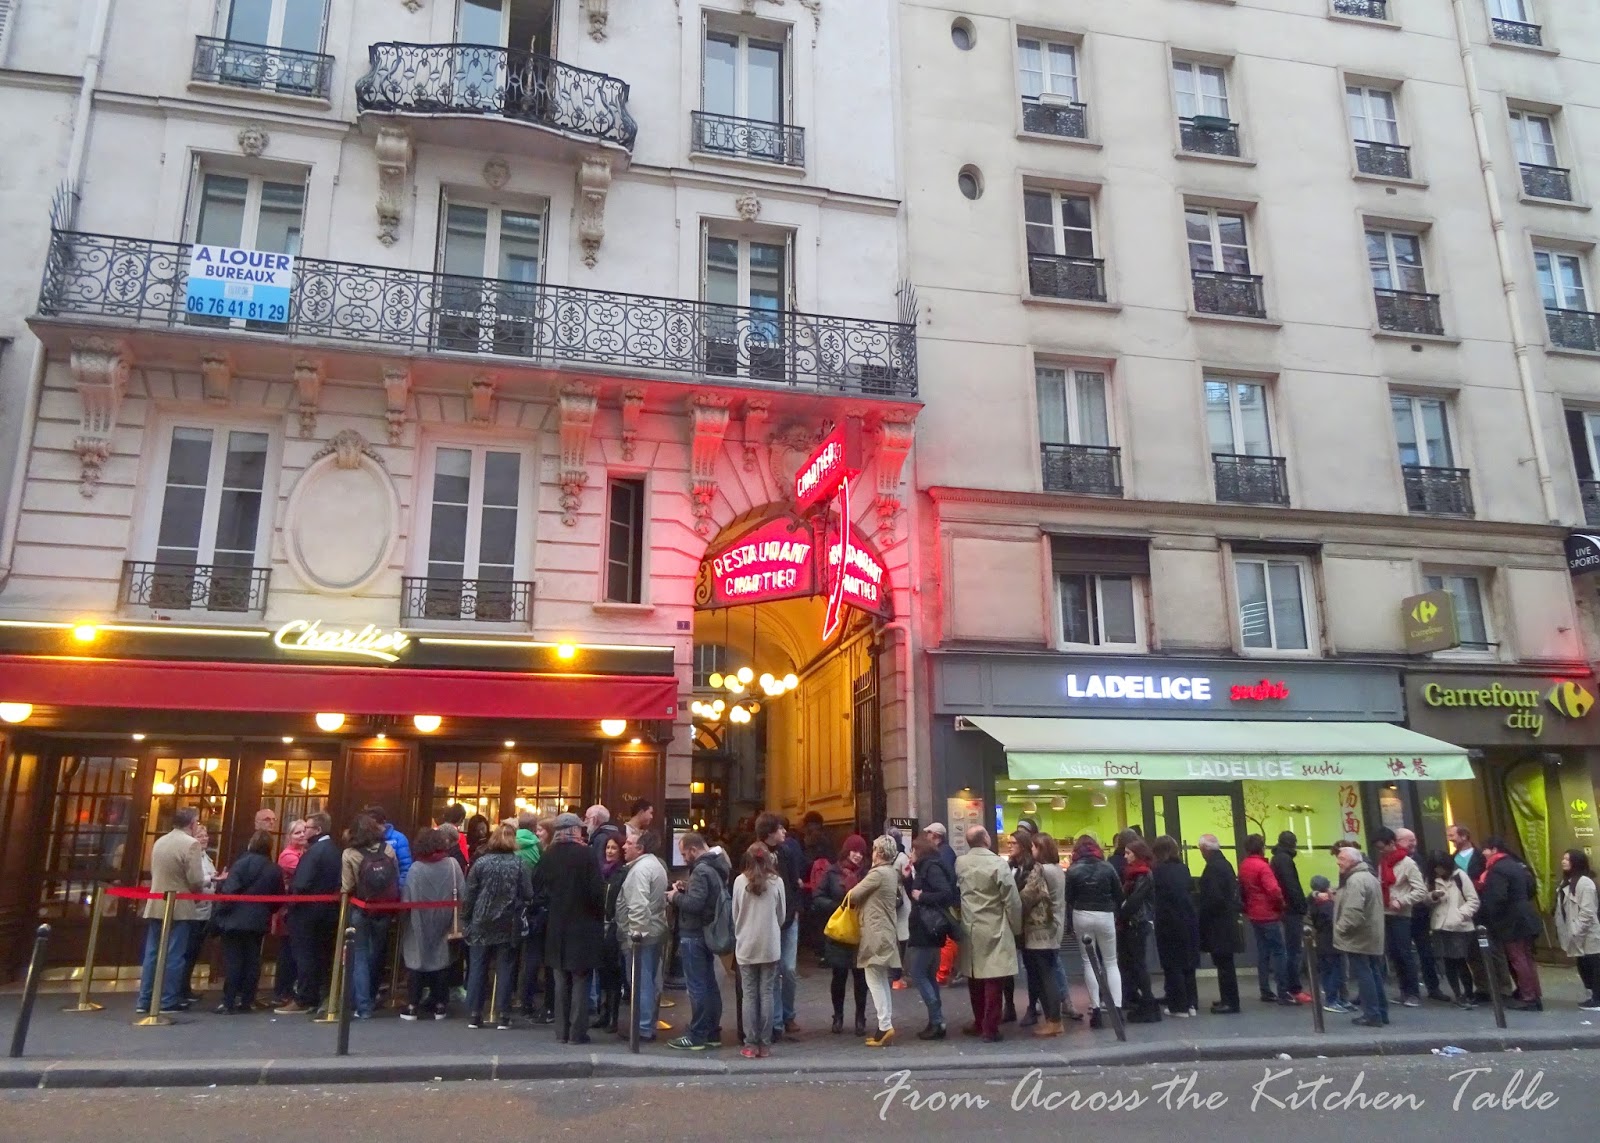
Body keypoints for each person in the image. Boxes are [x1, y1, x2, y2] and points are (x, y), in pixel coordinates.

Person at [534, 812, 606, 1043]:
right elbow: (597, 892)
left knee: (559, 980)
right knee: (580, 980)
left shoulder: (548, 855)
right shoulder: (586, 854)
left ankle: (561, 1031)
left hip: (556, 925)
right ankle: (577, 1033)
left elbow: (537, 887)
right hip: (583, 925)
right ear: (574, 830)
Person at [461, 823, 532, 1029]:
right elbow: (528, 893)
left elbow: (470, 895)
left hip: (481, 920)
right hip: (508, 922)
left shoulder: (481, 863)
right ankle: (503, 1014)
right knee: (506, 968)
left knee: (477, 967)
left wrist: (466, 920)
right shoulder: (520, 864)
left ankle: (475, 1013)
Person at [955, 827, 1021, 1042]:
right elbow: (1011, 900)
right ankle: (990, 1027)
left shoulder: (961, 863)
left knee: (975, 978)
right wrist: (1016, 927)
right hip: (995, 925)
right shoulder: (998, 864)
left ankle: (978, 1021)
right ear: (986, 839)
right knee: (994, 978)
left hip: (970, 926)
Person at [669, 830, 732, 1050]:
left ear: (694, 850)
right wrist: (687, 888)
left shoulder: (701, 870)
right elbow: (706, 898)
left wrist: (675, 896)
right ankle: (713, 1031)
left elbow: (694, 905)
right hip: (706, 931)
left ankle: (697, 1034)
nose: (684, 858)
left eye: (684, 853)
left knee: (697, 986)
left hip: (693, 933)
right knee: (710, 984)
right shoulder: (717, 866)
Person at [212, 829, 281, 1013]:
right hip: (258, 920)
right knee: (252, 960)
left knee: (234, 961)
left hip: (234, 919)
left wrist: (220, 911)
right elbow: (278, 898)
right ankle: (247, 999)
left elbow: (229, 891)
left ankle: (228, 1001)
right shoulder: (273, 869)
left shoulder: (241, 864)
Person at [279, 812, 340, 1016]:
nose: (304, 832)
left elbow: (302, 883)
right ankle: (316, 995)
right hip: (326, 911)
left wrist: (292, 900)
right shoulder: (334, 850)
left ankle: (305, 997)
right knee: (320, 955)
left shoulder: (315, 852)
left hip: (307, 912)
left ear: (318, 830)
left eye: (308, 828)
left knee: (305, 955)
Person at [399, 826, 462, 1020]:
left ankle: (412, 1005)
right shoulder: (452, 865)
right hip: (445, 918)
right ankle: (440, 1004)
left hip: (418, 918)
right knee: (441, 958)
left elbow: (406, 899)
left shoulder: (416, 869)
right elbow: (462, 892)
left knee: (417, 958)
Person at [340, 813, 399, 1019]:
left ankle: (363, 1006)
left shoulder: (350, 853)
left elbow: (347, 886)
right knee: (377, 954)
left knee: (360, 956)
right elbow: (396, 878)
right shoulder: (388, 849)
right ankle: (372, 996)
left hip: (361, 908)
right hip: (384, 908)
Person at [811, 832, 870, 1035]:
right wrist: (838, 907)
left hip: (862, 932)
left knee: (861, 979)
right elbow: (817, 897)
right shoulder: (832, 873)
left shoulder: (868, 873)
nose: (858, 855)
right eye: (854, 851)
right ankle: (838, 1016)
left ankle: (860, 1018)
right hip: (839, 933)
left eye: (861, 852)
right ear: (846, 851)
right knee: (839, 977)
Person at [848, 835, 902, 1047]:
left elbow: (853, 895)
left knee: (873, 980)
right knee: (880, 979)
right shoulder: (891, 873)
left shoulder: (878, 873)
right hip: (885, 932)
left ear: (879, 853)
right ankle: (884, 1025)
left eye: (873, 850)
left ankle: (885, 1025)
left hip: (875, 933)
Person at [1478, 836, 1544, 1010]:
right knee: (1526, 957)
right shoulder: (1515, 865)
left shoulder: (1497, 869)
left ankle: (1528, 996)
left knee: (1517, 957)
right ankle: (1533, 993)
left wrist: (1489, 911)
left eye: (1485, 849)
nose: (1483, 853)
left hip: (1512, 919)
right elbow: (1530, 889)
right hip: (1525, 915)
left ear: (1493, 850)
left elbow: (1498, 896)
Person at [732, 842, 785, 1058]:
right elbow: (781, 915)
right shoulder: (777, 882)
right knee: (767, 993)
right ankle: (765, 1043)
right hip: (769, 944)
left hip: (746, 944)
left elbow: (735, 913)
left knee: (749, 994)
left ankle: (750, 1043)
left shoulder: (739, 881)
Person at [1064, 834, 1123, 1029]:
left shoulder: (1073, 870)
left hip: (1082, 914)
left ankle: (1096, 1010)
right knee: (1111, 962)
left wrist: (1069, 924)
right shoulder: (1107, 867)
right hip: (1105, 915)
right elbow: (1119, 894)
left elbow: (1069, 899)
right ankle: (1117, 1009)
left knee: (1089, 962)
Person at [617, 829, 669, 1042]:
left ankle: (643, 1027)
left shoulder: (640, 870)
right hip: (655, 929)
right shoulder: (654, 865)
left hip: (643, 935)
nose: (623, 846)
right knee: (649, 979)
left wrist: (635, 934)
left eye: (628, 843)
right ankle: (646, 1024)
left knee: (640, 980)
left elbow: (638, 904)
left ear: (640, 848)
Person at [757, 812, 805, 1037]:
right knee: (773, 969)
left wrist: (794, 910)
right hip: (769, 919)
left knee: (789, 968)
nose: (785, 831)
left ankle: (788, 1014)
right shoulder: (755, 854)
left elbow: (796, 882)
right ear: (769, 833)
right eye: (780, 829)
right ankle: (776, 1021)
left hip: (788, 916)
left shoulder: (787, 852)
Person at [906, 832, 957, 1039]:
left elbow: (945, 893)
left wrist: (922, 896)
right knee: (927, 974)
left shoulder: (931, 867)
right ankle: (935, 1021)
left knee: (918, 973)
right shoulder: (924, 868)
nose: (910, 854)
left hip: (928, 929)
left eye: (912, 850)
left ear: (919, 851)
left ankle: (937, 1020)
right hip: (925, 928)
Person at [1333, 844, 1387, 1028]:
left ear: (1352, 861)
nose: (1338, 862)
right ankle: (1380, 1012)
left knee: (1364, 973)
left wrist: (1340, 929)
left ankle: (1372, 1013)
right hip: (1370, 933)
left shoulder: (1355, 880)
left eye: (1341, 859)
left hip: (1360, 936)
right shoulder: (1368, 877)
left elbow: (1353, 910)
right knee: (1373, 972)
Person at [1374, 826, 1428, 1007]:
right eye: (1379, 848)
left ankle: (1413, 992)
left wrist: (1402, 901)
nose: (1381, 851)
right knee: (1394, 953)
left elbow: (1420, 890)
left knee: (1404, 953)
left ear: (1392, 843)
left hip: (1401, 913)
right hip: (1385, 912)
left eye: (1383, 847)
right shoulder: (1383, 862)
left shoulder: (1408, 863)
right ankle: (1403, 991)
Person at [1019, 834, 1064, 1036]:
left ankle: (1054, 1020)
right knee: (1050, 971)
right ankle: (1053, 1020)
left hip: (1040, 930)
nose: (1032, 852)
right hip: (1055, 926)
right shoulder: (1058, 869)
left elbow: (1027, 895)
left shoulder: (1041, 869)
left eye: (1034, 848)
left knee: (1045, 975)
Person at [1238, 833, 1291, 1004]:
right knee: (1279, 952)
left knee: (1263, 953)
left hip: (1254, 914)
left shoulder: (1244, 865)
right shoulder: (1263, 867)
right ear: (1262, 847)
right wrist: (1282, 904)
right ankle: (1283, 991)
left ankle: (1265, 990)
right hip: (1268, 913)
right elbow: (1274, 890)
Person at [1150, 835, 1200, 1018]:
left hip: (1168, 922)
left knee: (1172, 964)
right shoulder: (1183, 869)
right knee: (1188, 963)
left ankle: (1178, 1006)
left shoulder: (1157, 872)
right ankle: (1192, 1003)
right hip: (1189, 920)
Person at [1425, 849, 1480, 1009]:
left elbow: (1473, 900)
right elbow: (1425, 900)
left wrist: (1460, 914)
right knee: (1448, 962)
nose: (1438, 871)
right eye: (1435, 868)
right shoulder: (1431, 879)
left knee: (1460, 961)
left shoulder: (1459, 876)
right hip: (1439, 926)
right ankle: (1457, 994)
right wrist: (1433, 896)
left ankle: (1468, 994)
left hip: (1458, 927)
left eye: (1440, 867)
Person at [1196, 833, 1242, 1014]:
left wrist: (1202, 911)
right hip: (1225, 922)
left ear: (1205, 849)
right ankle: (1228, 998)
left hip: (1219, 925)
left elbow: (1214, 898)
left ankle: (1230, 1002)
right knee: (1225, 963)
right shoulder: (1224, 864)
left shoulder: (1214, 868)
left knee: (1224, 964)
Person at [1118, 837, 1161, 1023]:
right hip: (1135, 923)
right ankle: (1145, 1001)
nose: (1125, 857)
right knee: (1135, 964)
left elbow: (1134, 901)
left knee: (1138, 965)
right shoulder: (1135, 874)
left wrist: (1121, 911)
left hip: (1136, 924)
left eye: (1128, 853)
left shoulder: (1142, 874)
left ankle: (1148, 1003)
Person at [1555, 848, 1600, 1011]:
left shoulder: (1585, 883)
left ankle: (1597, 998)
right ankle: (1592, 996)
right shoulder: (1566, 881)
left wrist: (1575, 930)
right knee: (1583, 964)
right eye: (1563, 858)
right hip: (1575, 933)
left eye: (1567, 859)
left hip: (1587, 933)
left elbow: (1588, 911)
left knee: (1593, 964)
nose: (1563, 861)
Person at [271, 819, 309, 1007]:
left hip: (299, 907)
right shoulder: (288, 855)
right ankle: (281, 990)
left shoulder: (305, 853)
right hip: (288, 908)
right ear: (289, 836)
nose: (302, 835)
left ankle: (289, 988)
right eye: (297, 832)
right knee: (287, 951)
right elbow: (304, 872)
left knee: (294, 951)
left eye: (303, 831)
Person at [1270, 830, 1311, 1002]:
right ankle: (1293, 987)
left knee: (1288, 949)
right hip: (1291, 909)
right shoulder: (1285, 860)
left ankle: (1287, 987)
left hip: (1284, 909)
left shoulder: (1277, 858)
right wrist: (1302, 905)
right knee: (1293, 949)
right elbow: (1291, 884)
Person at [180, 823, 218, 1004]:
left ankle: (185, 987)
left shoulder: (206, 857)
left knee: (195, 951)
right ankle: (180, 988)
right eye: (200, 835)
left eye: (206, 835)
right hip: (194, 910)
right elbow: (193, 879)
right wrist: (212, 879)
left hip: (204, 910)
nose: (205, 838)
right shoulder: (193, 856)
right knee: (187, 951)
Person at [595, 833, 628, 1033]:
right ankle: (603, 1013)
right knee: (602, 972)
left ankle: (613, 1017)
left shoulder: (622, 874)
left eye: (614, 848)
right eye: (608, 847)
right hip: (600, 924)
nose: (609, 851)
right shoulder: (600, 872)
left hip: (614, 925)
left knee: (613, 972)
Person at [1308, 875, 1349, 1012]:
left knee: (1326, 971)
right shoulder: (1329, 905)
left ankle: (1333, 999)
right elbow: (1334, 923)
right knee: (1336, 971)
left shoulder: (1314, 902)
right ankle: (1333, 1000)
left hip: (1321, 941)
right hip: (1332, 941)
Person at [363, 805, 412, 888]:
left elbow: (405, 868)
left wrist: (399, 889)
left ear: (383, 822)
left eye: (375, 826)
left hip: (392, 890)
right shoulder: (366, 838)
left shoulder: (399, 839)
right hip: (370, 890)